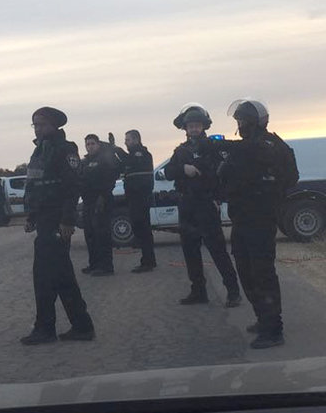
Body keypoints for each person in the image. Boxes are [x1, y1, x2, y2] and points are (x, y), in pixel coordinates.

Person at [218, 98, 299, 349]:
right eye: (238, 121)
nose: (239, 125)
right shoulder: (245, 148)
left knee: (262, 273)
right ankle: (263, 317)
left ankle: (273, 330)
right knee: (245, 270)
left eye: (242, 120)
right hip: (241, 218)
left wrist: (267, 191)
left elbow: (290, 177)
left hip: (261, 219)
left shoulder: (270, 145)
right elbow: (226, 177)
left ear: (255, 122)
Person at [20, 106, 95, 345]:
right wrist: (31, 215)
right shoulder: (39, 150)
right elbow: (34, 184)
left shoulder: (65, 149)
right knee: (61, 275)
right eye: (35, 124)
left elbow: (73, 187)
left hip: (57, 219)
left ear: (54, 125)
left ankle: (45, 328)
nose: (37, 128)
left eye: (41, 124)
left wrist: (67, 220)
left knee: (44, 275)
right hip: (43, 218)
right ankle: (82, 326)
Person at [163, 103, 242, 307]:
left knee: (217, 251)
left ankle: (233, 292)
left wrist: (218, 199)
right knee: (190, 251)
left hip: (206, 204)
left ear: (203, 126)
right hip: (187, 205)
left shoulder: (213, 148)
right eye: (190, 126)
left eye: (197, 125)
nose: (194, 129)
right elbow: (168, 172)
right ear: (185, 128)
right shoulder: (180, 151)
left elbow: (226, 175)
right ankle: (198, 291)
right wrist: (183, 168)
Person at [110, 129, 157, 272]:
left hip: (141, 198)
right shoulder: (131, 156)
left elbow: (128, 161)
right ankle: (147, 259)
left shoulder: (141, 154)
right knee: (139, 228)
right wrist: (111, 151)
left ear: (136, 140)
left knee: (144, 230)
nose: (125, 142)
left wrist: (116, 149)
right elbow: (121, 166)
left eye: (128, 140)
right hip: (133, 198)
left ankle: (148, 262)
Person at [79, 134, 120, 276]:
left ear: (98, 144)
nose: (90, 147)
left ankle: (106, 266)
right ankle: (94, 264)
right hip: (88, 201)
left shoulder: (104, 159)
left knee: (101, 234)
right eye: (87, 144)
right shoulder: (84, 162)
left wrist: (103, 196)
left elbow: (112, 177)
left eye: (92, 144)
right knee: (90, 234)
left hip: (102, 200)